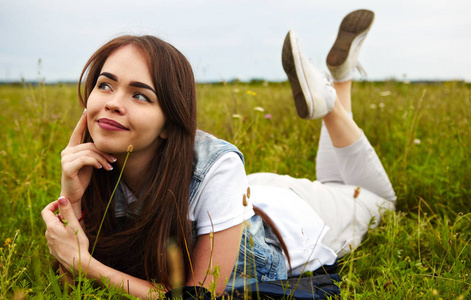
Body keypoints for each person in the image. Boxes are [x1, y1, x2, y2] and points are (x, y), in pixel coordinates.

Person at [41, 9, 395, 298]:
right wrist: (71, 198)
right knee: (335, 179)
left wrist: (85, 263)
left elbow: (197, 295)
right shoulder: (93, 167)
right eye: (105, 84)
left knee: (380, 200)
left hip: (297, 217)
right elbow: (70, 288)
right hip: (246, 198)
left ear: (169, 122)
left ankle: (330, 99)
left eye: (140, 95)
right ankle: (339, 79)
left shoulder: (215, 165)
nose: (113, 104)